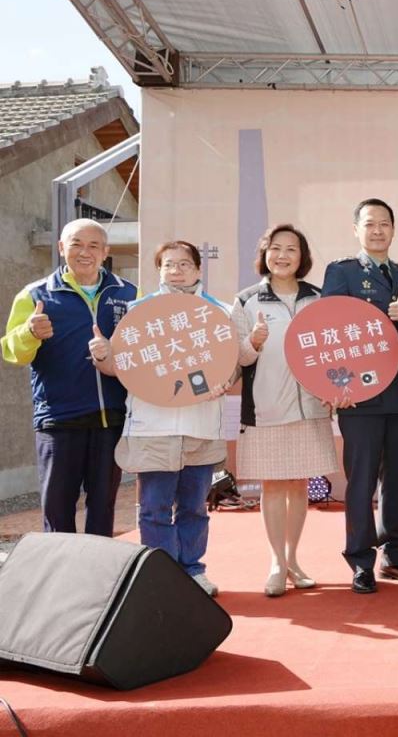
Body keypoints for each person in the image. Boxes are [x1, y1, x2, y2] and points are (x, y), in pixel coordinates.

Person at [98, 241, 231, 596]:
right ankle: (163, 577)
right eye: (168, 264)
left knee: (194, 507)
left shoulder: (220, 312)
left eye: (184, 264)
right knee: (154, 507)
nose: (176, 271)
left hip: (200, 426)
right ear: (158, 271)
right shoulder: (137, 312)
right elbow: (118, 366)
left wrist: (225, 379)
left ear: (198, 269)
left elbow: (231, 363)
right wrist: (102, 355)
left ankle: (192, 570)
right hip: (153, 426)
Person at [2, 218, 136, 535]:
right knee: (57, 508)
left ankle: (99, 566)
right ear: (62, 248)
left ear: (105, 252)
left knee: (103, 508)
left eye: (93, 245)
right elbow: (12, 352)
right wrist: (29, 333)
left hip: (111, 419)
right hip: (58, 419)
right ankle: (59, 567)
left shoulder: (129, 293)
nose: (84, 252)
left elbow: (142, 350)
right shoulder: (35, 295)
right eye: (76, 244)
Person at [233, 224, 339, 596]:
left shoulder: (318, 298)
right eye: (275, 248)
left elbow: (331, 353)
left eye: (291, 249)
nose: (283, 255)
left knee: (299, 484)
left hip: (310, 408)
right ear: (265, 254)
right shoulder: (247, 300)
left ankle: (293, 559)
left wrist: (334, 388)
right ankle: (276, 562)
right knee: (274, 484)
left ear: (302, 257)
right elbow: (237, 360)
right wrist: (253, 341)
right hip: (267, 409)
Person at [323, 198, 398, 594]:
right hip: (359, 393)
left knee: (397, 478)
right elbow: (330, 328)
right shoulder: (342, 272)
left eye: (384, 223)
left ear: (394, 229)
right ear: (356, 230)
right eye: (369, 224)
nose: (378, 230)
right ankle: (360, 560)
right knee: (361, 479)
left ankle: (394, 554)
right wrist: (336, 387)